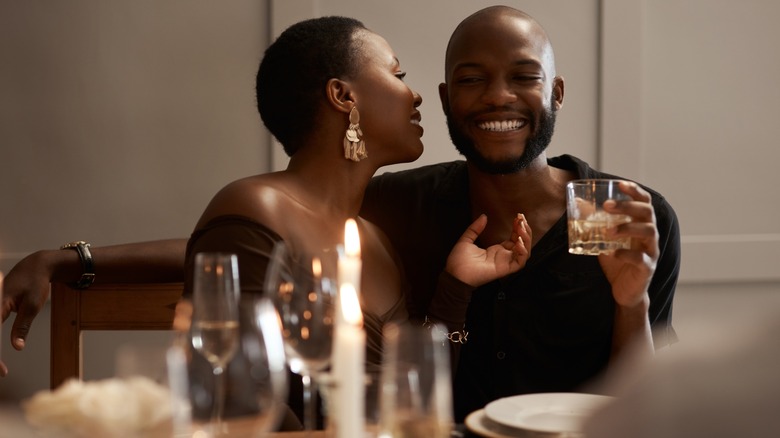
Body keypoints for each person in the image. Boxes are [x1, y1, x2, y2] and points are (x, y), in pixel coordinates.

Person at [2, 5, 677, 424]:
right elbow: (247, 252)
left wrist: (630, 303)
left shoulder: (613, 211)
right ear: (446, 99)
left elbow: (656, 397)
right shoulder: (402, 207)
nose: (496, 96)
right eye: (470, 79)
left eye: (524, 76)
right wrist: (72, 257)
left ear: (554, 91)